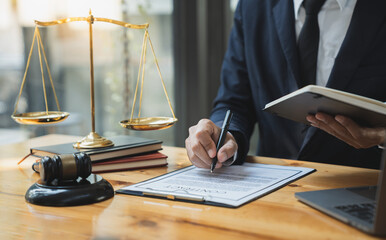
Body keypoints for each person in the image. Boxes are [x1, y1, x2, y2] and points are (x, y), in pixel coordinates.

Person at [185, 0, 386, 170]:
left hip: (367, 192)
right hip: (274, 191)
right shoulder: (252, 6)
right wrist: (223, 134)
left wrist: (382, 137)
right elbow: (234, 101)